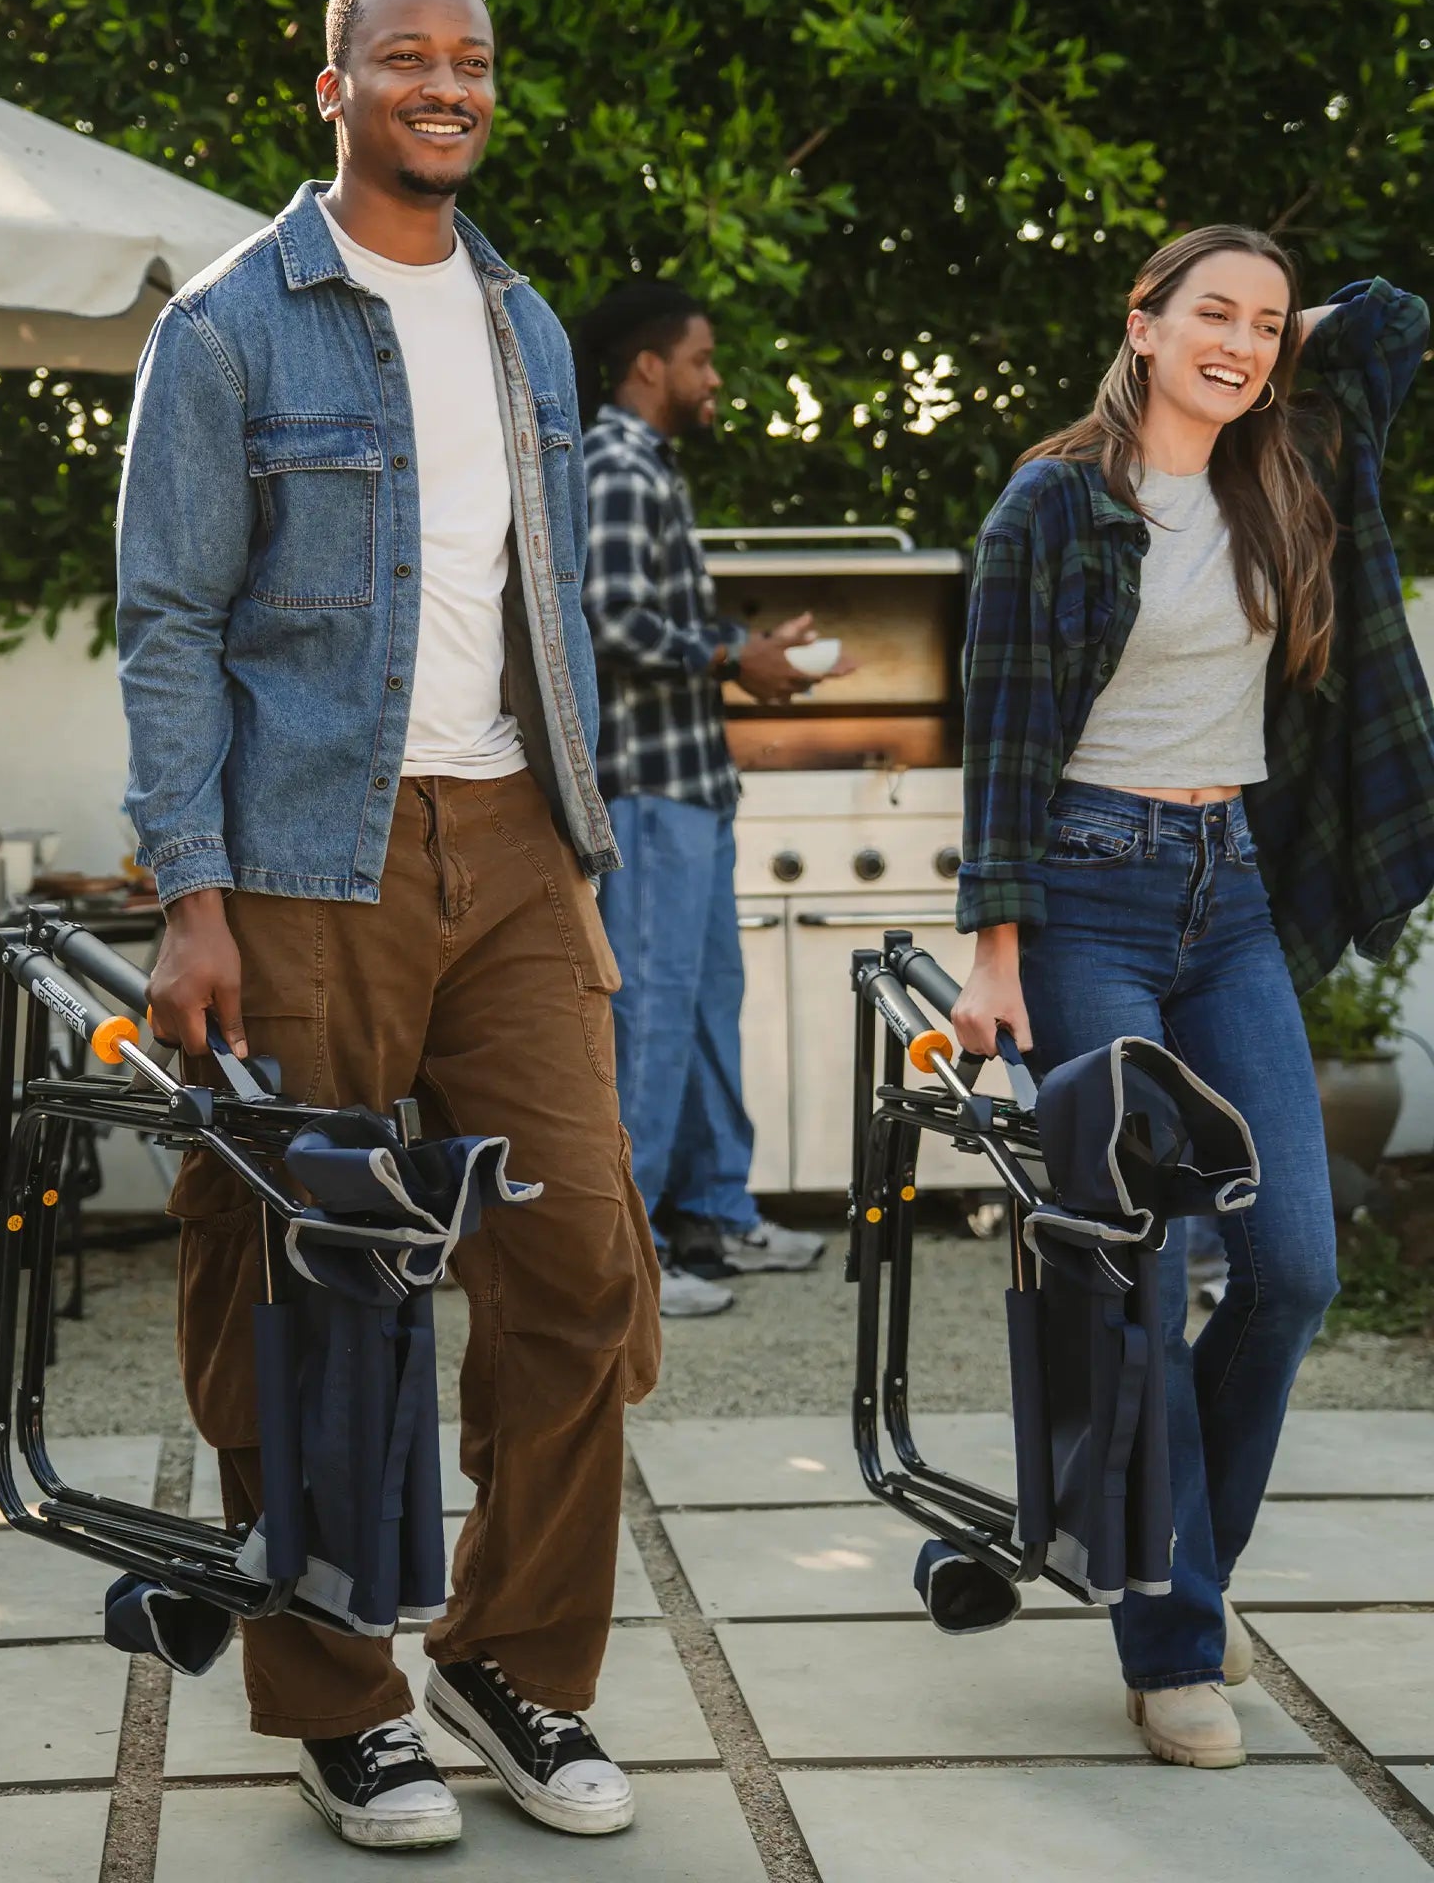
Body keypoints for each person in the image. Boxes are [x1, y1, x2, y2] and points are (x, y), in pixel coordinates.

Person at [114, 0, 661, 1852]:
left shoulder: (527, 323)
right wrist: (192, 892)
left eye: (473, 59)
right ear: (332, 86)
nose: (448, 84)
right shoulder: (226, 329)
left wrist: (575, 857)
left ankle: (510, 1664)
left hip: (511, 842)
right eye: (407, 56)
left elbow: (540, 618)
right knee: (304, 1275)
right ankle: (342, 1700)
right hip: (299, 863)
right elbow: (168, 625)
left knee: (579, 1261)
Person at [951, 225, 1434, 1769]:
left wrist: (1291, 329)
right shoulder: (1054, 501)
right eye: (1210, 312)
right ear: (1140, 322)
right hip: (1084, 894)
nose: (1241, 342)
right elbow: (1002, 739)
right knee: (1140, 1281)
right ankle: (1171, 1642)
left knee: (1292, 1264)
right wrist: (995, 952)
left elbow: (1394, 323)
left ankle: (1181, 1555)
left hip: (1230, 898)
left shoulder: (1282, 471)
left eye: (1267, 325)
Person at [577, 282, 843, 1317]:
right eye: (700, 358)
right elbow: (606, 617)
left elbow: (646, 617)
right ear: (649, 365)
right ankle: (627, 1248)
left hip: (689, 785)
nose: (713, 377)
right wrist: (736, 656)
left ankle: (713, 1212)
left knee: (699, 1009)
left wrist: (753, 652)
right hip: (645, 790)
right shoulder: (613, 463)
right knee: (647, 1014)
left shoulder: (649, 464)